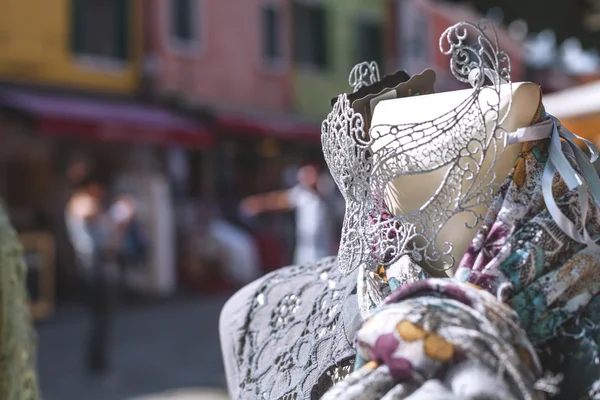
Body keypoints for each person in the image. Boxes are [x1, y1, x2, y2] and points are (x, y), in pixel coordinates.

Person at [65, 173, 132, 374]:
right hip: (93, 267)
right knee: (99, 319)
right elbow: (93, 217)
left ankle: (98, 362)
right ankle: (96, 364)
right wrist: (117, 216)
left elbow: (111, 238)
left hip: (100, 265)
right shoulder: (82, 202)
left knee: (103, 320)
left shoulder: (89, 204)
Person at [240, 162, 335, 265]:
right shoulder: (301, 194)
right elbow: (279, 200)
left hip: (324, 246)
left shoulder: (326, 190)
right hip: (306, 247)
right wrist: (257, 203)